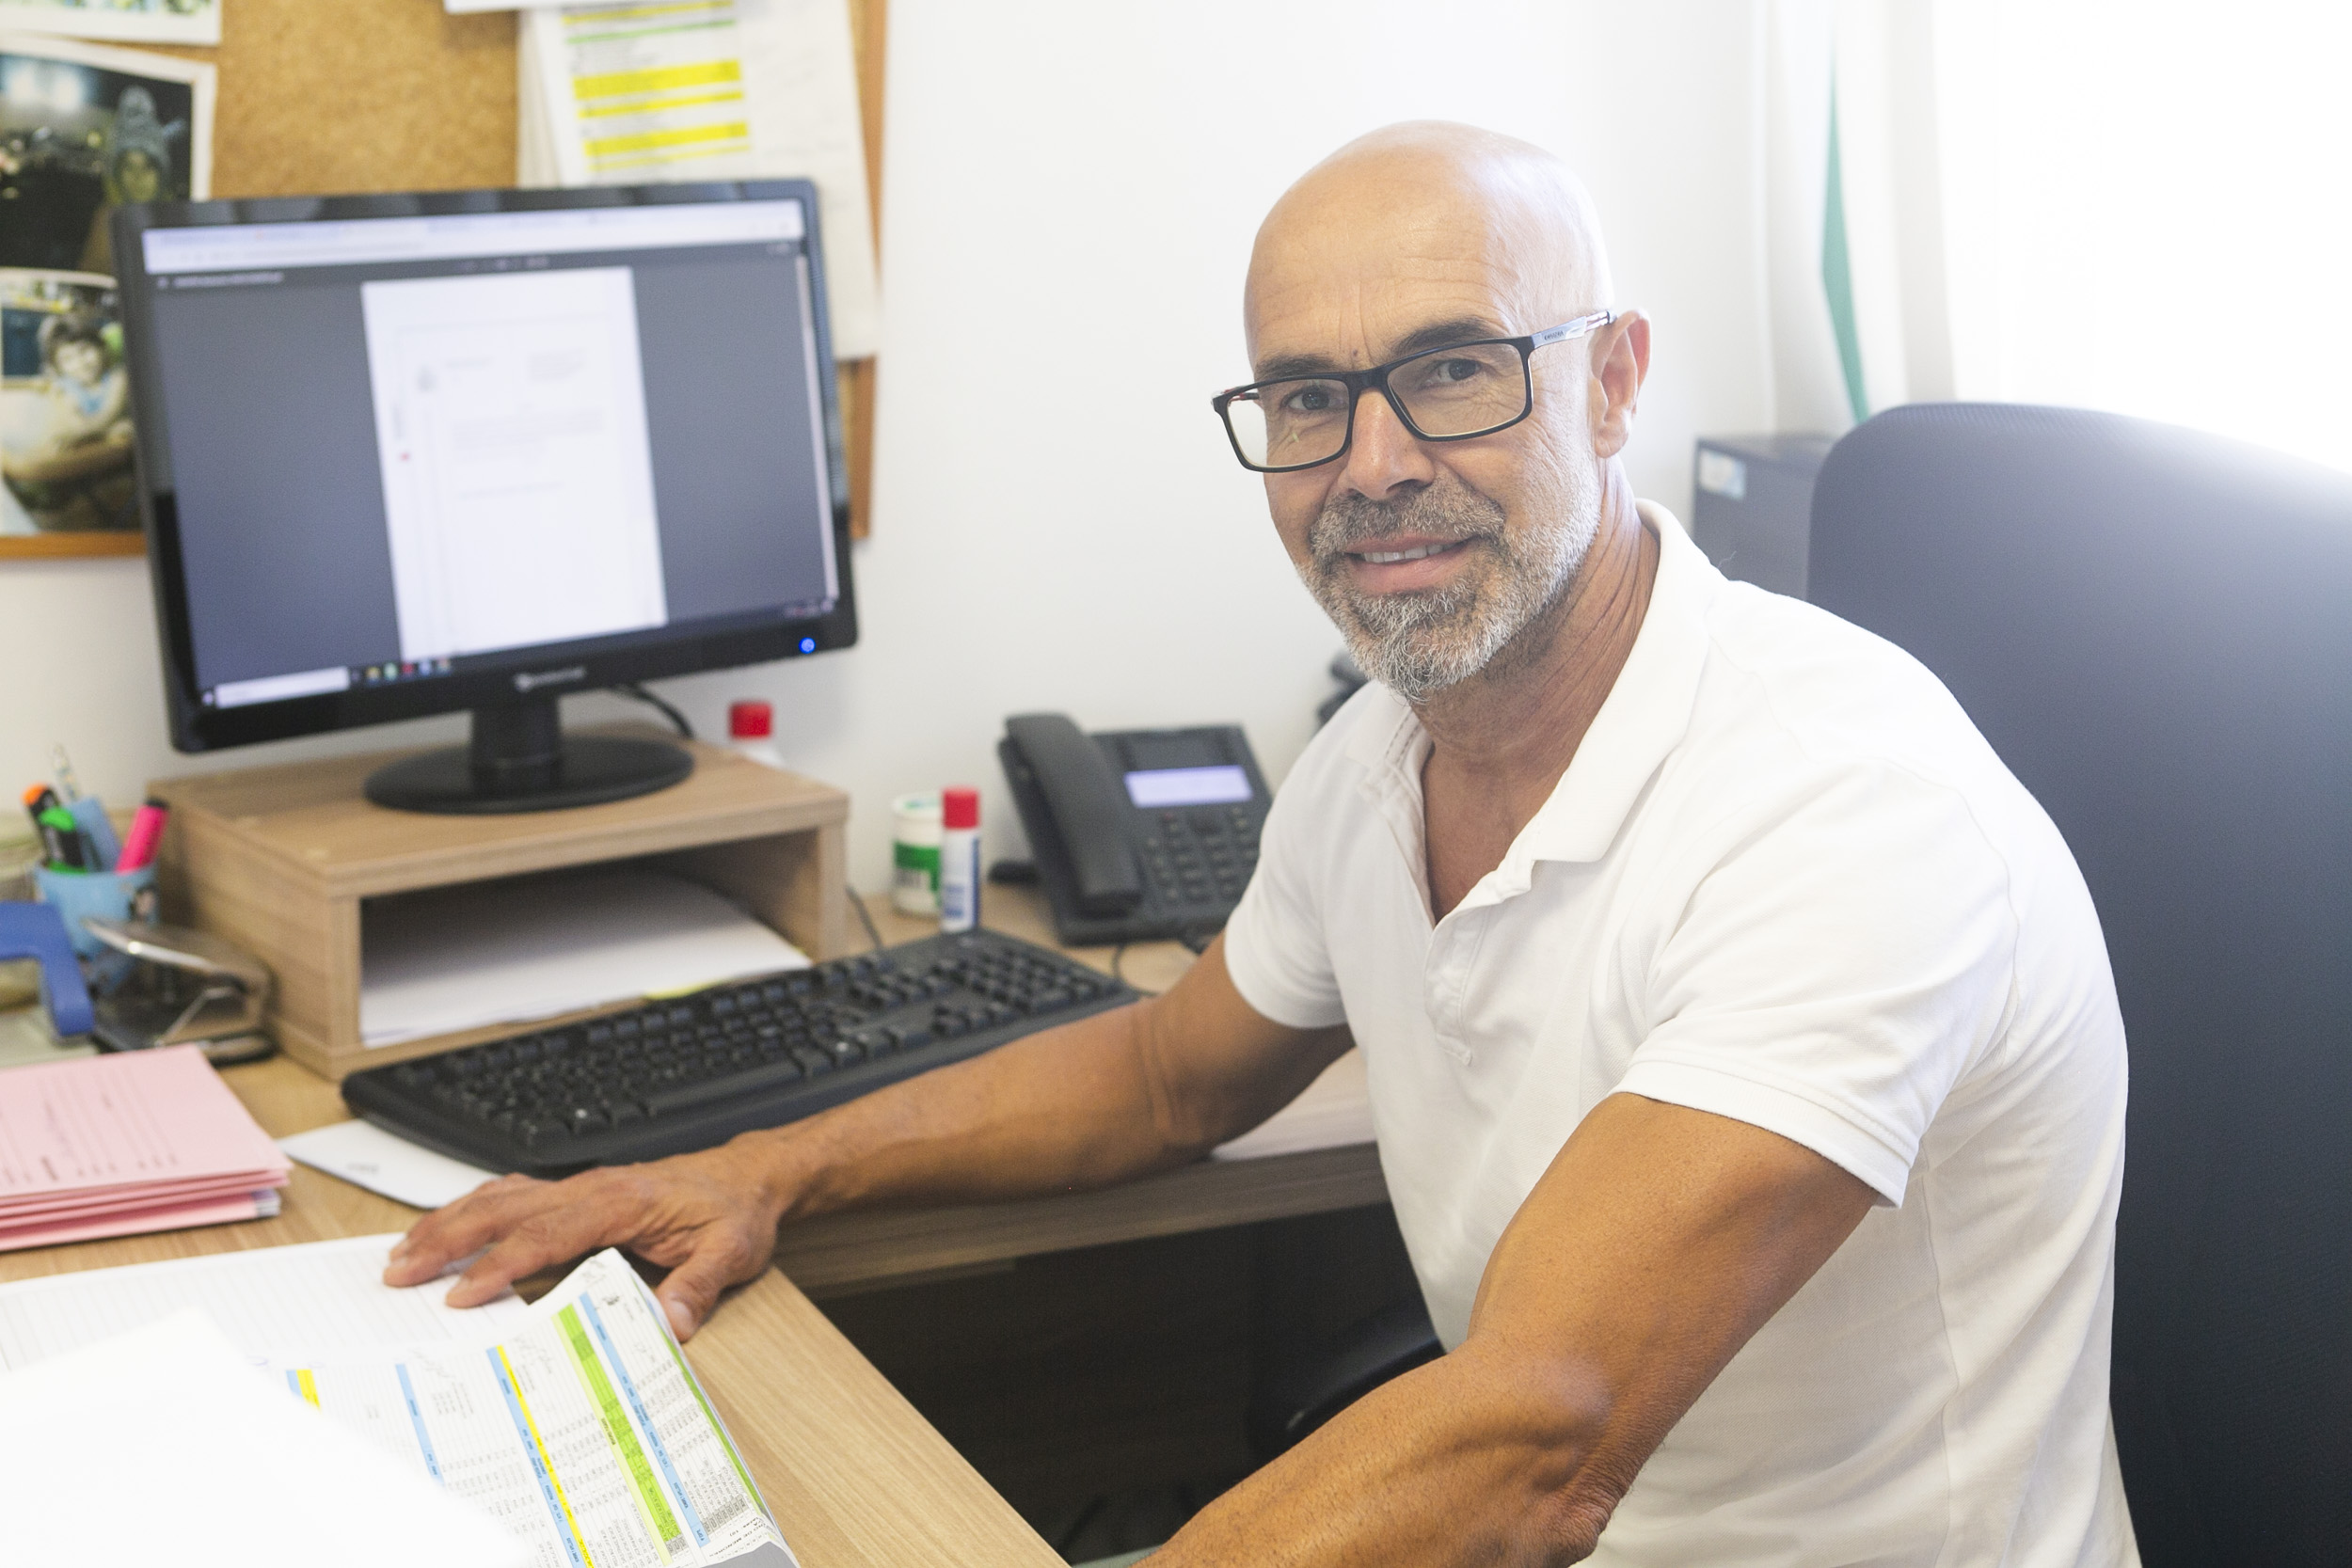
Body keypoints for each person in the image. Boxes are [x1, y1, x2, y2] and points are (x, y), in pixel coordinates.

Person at [389, 123, 2136, 1565]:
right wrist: (772, 1166)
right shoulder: (1387, 757)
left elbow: (1545, 1439)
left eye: (1452, 373)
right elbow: (1165, 1078)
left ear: (1613, 384)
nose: (1369, 465)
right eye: (1306, 401)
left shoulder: (1843, 807)